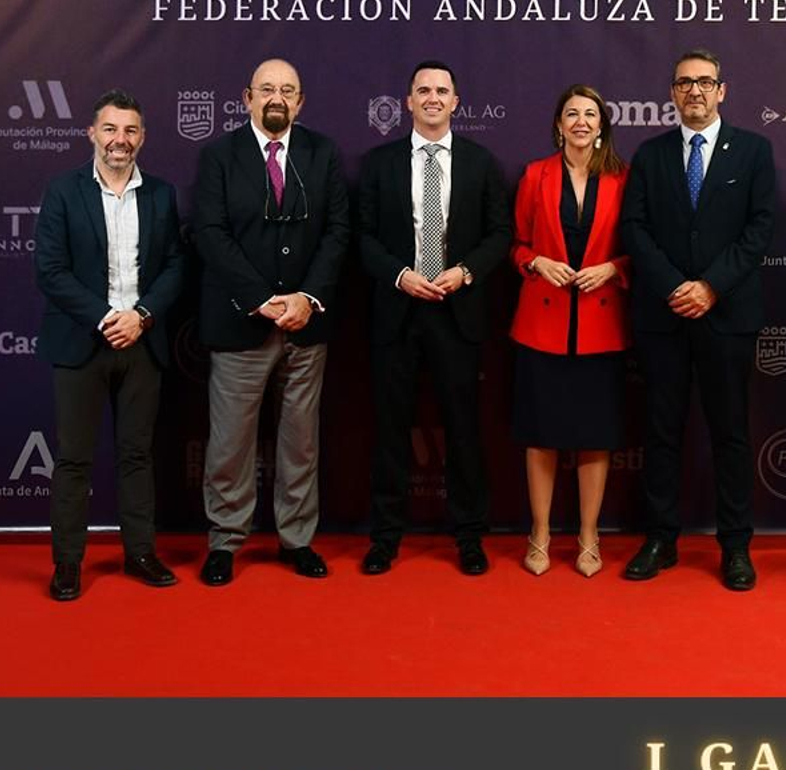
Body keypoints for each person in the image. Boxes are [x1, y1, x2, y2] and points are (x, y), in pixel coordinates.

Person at [619, 49, 775, 592]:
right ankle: (660, 538)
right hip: (663, 317)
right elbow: (634, 229)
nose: (695, 92)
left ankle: (735, 547)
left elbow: (760, 229)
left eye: (705, 82)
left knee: (730, 435)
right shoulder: (650, 153)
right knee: (661, 433)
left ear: (722, 91)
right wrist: (673, 287)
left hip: (726, 315)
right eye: (684, 83)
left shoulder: (754, 150)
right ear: (672, 93)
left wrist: (711, 286)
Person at [192, 58, 350, 586]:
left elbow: (337, 233)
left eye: (287, 90)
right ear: (247, 98)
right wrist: (261, 298)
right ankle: (226, 540)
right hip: (242, 324)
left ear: (300, 101)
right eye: (267, 89)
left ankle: (297, 538)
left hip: (307, 324)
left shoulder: (323, 154)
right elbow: (210, 233)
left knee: (300, 440)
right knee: (231, 441)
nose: (276, 97)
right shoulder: (218, 156)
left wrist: (305, 297)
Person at [357, 60, 511, 576]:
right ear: (408, 101)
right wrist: (400, 275)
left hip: (456, 313)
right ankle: (384, 537)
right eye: (422, 89)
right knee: (389, 431)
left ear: (455, 101)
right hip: (397, 313)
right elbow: (362, 239)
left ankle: (469, 536)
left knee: (464, 430)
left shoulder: (480, 162)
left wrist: (465, 272)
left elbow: (499, 235)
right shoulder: (378, 164)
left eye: (442, 90)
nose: (432, 98)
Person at [34, 89, 185, 601]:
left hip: (142, 342)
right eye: (110, 129)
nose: (120, 140)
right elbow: (50, 272)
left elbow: (175, 267)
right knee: (74, 458)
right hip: (82, 341)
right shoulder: (62, 191)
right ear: (91, 134)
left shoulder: (162, 195)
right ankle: (69, 563)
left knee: (137, 455)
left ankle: (140, 552)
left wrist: (140, 317)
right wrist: (105, 318)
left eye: (130, 131)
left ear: (142, 137)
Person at [508, 85, 631, 577]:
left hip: (601, 322)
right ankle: (539, 533)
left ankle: (588, 535)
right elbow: (515, 243)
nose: (581, 121)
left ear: (602, 125)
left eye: (590, 114)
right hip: (543, 320)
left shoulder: (623, 179)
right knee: (541, 434)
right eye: (571, 114)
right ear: (558, 124)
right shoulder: (534, 175)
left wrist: (615, 268)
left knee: (594, 435)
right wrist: (536, 260)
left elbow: (637, 245)